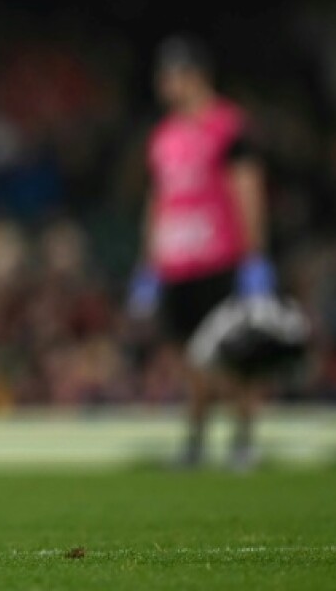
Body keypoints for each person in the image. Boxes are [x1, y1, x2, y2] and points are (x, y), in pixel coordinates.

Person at [128, 33, 275, 470]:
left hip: (219, 257)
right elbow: (157, 201)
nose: (164, 84)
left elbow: (248, 192)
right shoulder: (163, 136)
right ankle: (196, 440)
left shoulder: (229, 126)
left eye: (172, 74)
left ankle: (243, 440)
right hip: (176, 262)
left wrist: (254, 257)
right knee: (190, 360)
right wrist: (148, 265)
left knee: (234, 357)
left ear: (195, 76)